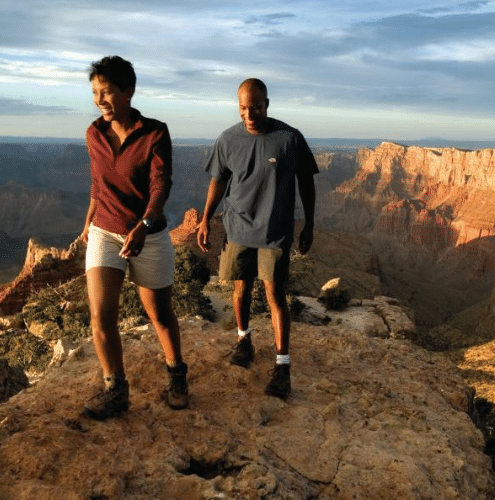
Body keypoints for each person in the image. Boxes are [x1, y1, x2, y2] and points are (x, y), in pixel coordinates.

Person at [79, 55, 188, 419]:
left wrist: (145, 223)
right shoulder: (93, 134)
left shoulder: (155, 132)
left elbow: (161, 184)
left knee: (158, 313)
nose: (99, 100)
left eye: (106, 92)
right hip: (104, 232)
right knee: (101, 314)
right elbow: (98, 183)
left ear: (128, 91)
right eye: (94, 92)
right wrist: (89, 221)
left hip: (149, 233)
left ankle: (176, 374)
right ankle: (116, 390)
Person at [196, 78, 318, 399]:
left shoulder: (289, 139)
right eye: (243, 108)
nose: (249, 114)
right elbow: (218, 182)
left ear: (267, 103)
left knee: (275, 296)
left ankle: (282, 366)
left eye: (255, 107)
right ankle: (243, 339)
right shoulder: (227, 139)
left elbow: (307, 183)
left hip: (274, 231)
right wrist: (206, 219)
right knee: (240, 288)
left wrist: (310, 224)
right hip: (237, 228)